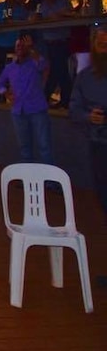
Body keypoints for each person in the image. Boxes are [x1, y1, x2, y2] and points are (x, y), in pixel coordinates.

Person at [0, 37, 55, 165]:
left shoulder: (34, 64)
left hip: (37, 109)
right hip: (18, 111)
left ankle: (50, 180)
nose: (20, 48)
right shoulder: (9, 68)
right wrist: (6, 93)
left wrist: (32, 49)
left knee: (44, 146)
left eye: (23, 46)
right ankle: (28, 178)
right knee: (24, 147)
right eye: (18, 46)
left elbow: (44, 64)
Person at [69, 25, 107, 221]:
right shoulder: (84, 77)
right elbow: (74, 109)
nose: (103, 46)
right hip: (98, 142)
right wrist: (88, 116)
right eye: (100, 43)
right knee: (102, 188)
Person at [39, 0, 73, 109]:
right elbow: (42, 18)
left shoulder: (64, 2)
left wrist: (58, 16)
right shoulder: (43, 4)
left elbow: (70, 14)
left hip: (62, 40)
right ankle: (53, 98)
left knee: (60, 70)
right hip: (49, 42)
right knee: (56, 70)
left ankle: (63, 99)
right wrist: (56, 16)